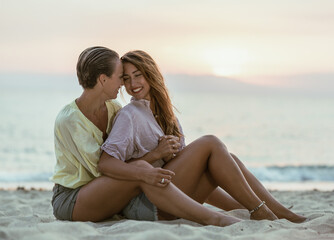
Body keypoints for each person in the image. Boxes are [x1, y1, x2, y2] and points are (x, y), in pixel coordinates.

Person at [100, 50, 306, 223]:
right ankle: (260, 210)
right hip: (151, 203)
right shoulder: (129, 115)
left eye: (138, 75)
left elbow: (195, 172)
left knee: (227, 159)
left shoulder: (165, 114)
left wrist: (237, 205)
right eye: (126, 79)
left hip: (176, 197)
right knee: (210, 143)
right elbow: (108, 164)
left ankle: (277, 212)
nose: (132, 84)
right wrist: (155, 154)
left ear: (150, 74)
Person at [50, 46, 241, 226]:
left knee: (181, 167)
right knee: (142, 169)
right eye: (120, 77)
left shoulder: (113, 108)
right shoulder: (70, 120)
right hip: (74, 198)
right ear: (103, 80)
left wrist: (165, 158)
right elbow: (104, 169)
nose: (123, 84)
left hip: (111, 193)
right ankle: (216, 219)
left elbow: (122, 164)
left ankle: (241, 208)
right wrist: (154, 156)